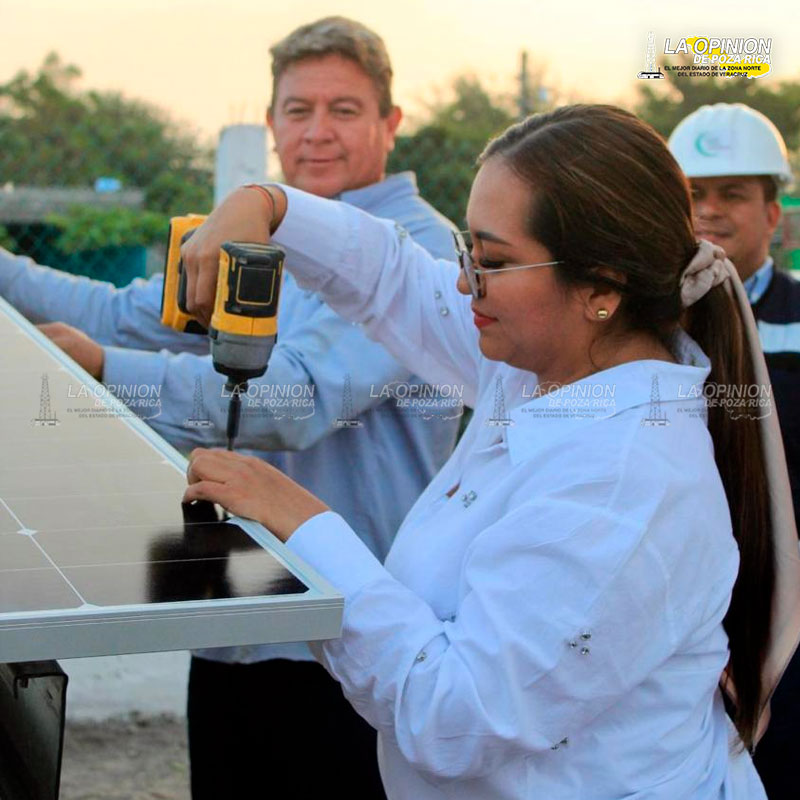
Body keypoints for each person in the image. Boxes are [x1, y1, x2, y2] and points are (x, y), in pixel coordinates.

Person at [180, 104, 799, 799]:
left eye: (494, 260)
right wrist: (266, 204)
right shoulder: (545, 362)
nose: (467, 281)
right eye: (468, 252)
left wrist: (307, 530)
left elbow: (456, 717)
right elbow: (391, 276)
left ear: (599, 287)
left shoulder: (624, 482)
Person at [0, 17, 460, 799]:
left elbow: (294, 399)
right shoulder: (249, 239)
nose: (316, 132)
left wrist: (107, 372)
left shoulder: (415, 252)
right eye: (296, 110)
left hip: (343, 640)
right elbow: (118, 315)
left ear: (391, 122)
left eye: (343, 110)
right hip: (228, 623)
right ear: (272, 123)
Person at [669, 102, 800, 800]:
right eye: (694, 193)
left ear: (774, 214)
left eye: (733, 194)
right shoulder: (645, 325)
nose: (710, 211)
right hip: (684, 621)